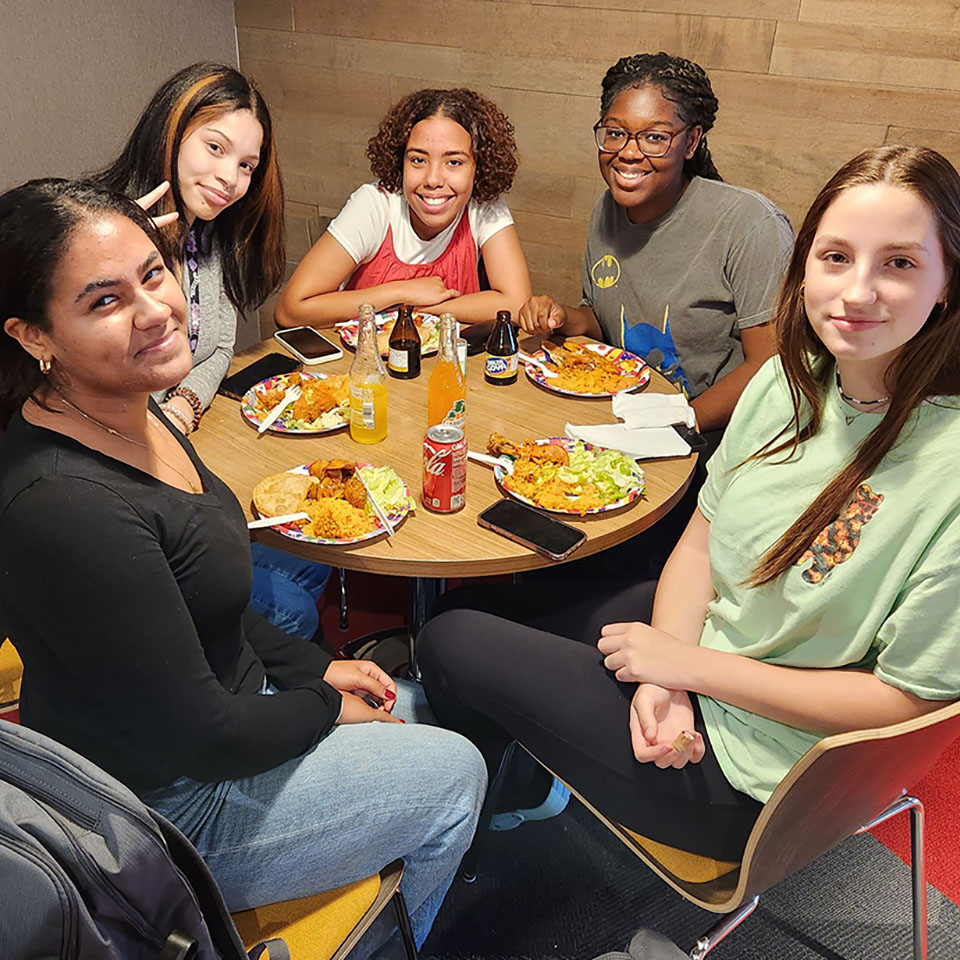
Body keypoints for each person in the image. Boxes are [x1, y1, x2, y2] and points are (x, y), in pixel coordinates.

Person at [417, 144, 960, 862]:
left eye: (899, 263)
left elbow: (907, 705)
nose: (857, 292)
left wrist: (680, 671)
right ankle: (504, 770)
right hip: (711, 653)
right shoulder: (787, 384)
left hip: (766, 777)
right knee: (485, 603)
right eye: (835, 257)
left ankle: (481, 796)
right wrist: (668, 667)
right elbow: (702, 541)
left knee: (447, 638)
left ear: (948, 281)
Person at [0, 179, 486, 947]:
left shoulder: (135, 408)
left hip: (215, 719)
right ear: (34, 336)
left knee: (416, 705)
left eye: (153, 274)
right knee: (458, 770)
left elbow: (207, 598)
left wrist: (313, 668)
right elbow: (206, 738)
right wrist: (325, 708)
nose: (155, 309)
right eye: (103, 301)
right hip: (166, 811)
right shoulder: (62, 506)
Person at [520, 52, 796, 581]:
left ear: (690, 142)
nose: (628, 153)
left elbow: (774, 365)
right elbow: (609, 324)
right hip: (623, 428)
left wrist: (681, 419)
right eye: (615, 134)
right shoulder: (608, 208)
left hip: (711, 457)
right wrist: (565, 320)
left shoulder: (748, 223)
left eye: (654, 137)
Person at [97, 62, 329, 640]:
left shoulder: (204, 231)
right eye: (216, 147)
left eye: (246, 164)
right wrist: (135, 259)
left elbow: (220, 342)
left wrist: (185, 407)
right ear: (172, 131)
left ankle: (252, 671)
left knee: (314, 549)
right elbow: (93, 382)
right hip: (120, 490)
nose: (231, 177)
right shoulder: (107, 237)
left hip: (176, 453)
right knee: (292, 609)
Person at [275, 87, 532, 327]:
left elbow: (516, 302)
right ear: (400, 162)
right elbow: (290, 310)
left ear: (478, 169)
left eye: (454, 162)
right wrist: (400, 292)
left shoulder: (482, 204)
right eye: (418, 160)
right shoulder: (374, 205)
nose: (433, 179)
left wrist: (419, 310)